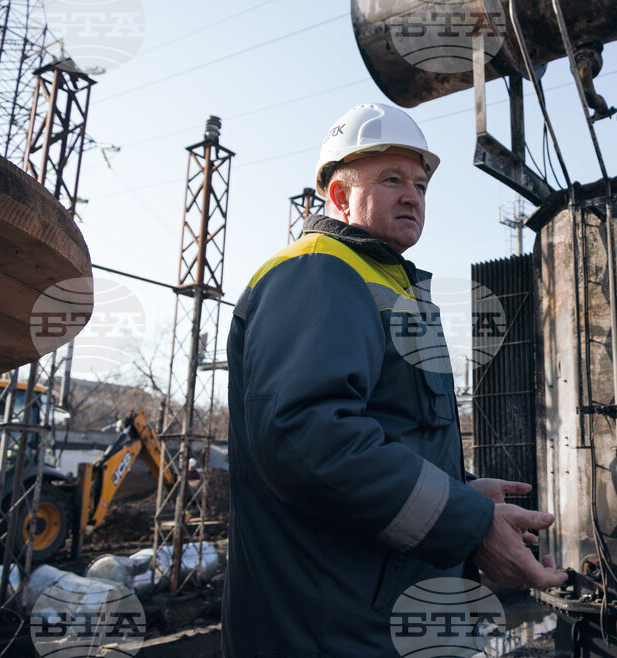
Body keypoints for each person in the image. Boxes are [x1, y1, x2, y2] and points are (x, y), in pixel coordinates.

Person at [223, 103, 567, 657]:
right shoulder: (317, 272)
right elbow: (309, 439)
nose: (413, 196)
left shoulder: (387, 285)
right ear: (338, 197)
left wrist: (461, 490)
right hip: (335, 628)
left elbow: (395, 436)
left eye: (420, 184)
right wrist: (468, 522)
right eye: (391, 180)